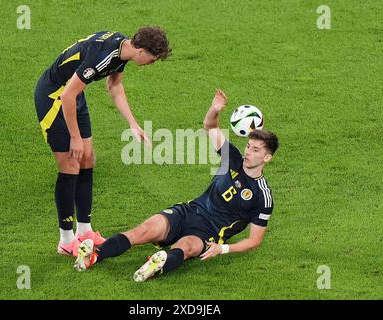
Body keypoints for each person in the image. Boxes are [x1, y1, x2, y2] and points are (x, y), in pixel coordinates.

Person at [73, 90, 279, 281]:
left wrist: (222, 249)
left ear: (267, 157)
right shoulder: (232, 157)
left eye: (256, 150)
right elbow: (210, 126)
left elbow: (254, 240)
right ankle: (94, 256)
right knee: (143, 230)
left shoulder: (262, 196)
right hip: (188, 211)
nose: (248, 152)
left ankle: (157, 263)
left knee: (186, 247)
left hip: (209, 232)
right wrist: (215, 109)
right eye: (248, 146)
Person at [34, 27, 171, 256]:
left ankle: (85, 231)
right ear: (140, 50)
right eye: (152, 58)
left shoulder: (122, 51)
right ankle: (66, 240)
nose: (152, 63)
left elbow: (114, 86)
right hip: (54, 96)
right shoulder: (102, 55)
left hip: (74, 95)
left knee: (88, 159)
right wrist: (75, 138)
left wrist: (133, 123)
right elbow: (66, 95)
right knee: (70, 163)